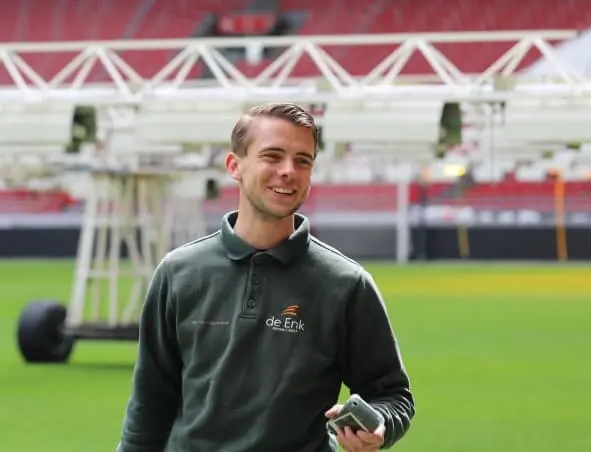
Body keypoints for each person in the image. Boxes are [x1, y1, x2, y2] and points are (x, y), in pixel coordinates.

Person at [117, 102, 415, 452]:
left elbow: (392, 396)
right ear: (234, 165)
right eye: (272, 156)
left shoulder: (345, 283)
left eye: (302, 161)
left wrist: (378, 425)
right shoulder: (178, 273)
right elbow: (149, 404)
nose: (288, 171)